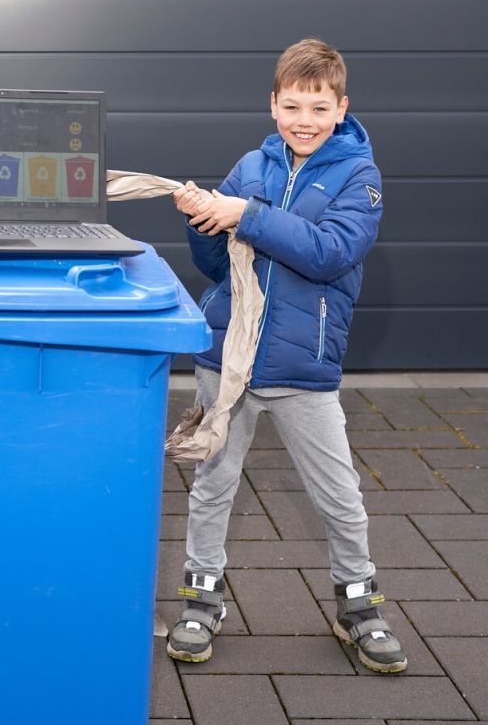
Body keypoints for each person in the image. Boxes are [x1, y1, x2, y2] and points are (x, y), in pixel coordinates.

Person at [166, 38, 406, 673]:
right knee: (213, 484)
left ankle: (358, 603)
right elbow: (217, 265)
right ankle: (201, 596)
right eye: (293, 104)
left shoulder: (360, 176)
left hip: (305, 367)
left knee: (338, 492)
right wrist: (203, 222)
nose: (305, 119)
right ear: (272, 104)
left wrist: (245, 214)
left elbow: (329, 252)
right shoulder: (251, 165)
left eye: (319, 107)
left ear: (341, 107)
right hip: (229, 361)